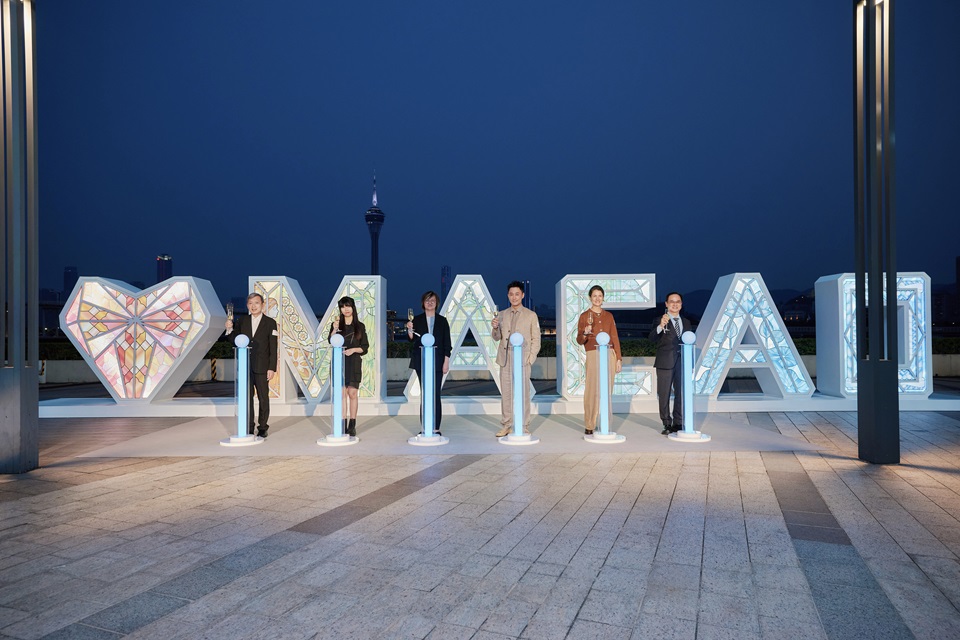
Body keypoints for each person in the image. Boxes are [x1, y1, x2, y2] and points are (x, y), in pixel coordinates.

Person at [491, 281, 541, 437]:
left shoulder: (531, 315)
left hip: (523, 359)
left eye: (517, 294)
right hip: (505, 358)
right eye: (511, 294)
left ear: (523, 295)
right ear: (508, 295)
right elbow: (496, 337)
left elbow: (536, 339)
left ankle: (524, 425)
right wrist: (494, 328)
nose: (514, 297)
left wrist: (530, 358)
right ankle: (507, 424)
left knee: (523, 393)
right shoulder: (502, 314)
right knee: (506, 394)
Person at [225, 293, 278, 438]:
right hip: (245, 366)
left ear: (262, 305)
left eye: (256, 303)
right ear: (247, 305)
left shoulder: (270, 323)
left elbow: (273, 347)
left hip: (262, 366)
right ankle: (249, 427)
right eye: (250, 303)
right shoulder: (242, 320)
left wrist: (271, 367)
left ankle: (263, 427)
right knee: (247, 398)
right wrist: (229, 329)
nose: (253, 306)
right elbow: (234, 339)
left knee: (263, 398)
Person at [576, 285, 623, 435]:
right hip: (593, 353)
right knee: (592, 389)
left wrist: (618, 358)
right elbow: (579, 340)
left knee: (607, 389)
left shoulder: (609, 316)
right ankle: (590, 423)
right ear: (590, 298)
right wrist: (585, 333)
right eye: (594, 296)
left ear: (603, 298)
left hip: (609, 353)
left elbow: (614, 337)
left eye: (600, 296)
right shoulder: (584, 316)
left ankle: (605, 423)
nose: (597, 298)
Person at [406, 290, 452, 435]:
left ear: (436, 303)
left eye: (432, 300)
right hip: (421, 361)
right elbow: (412, 340)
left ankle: (436, 428)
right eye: (427, 300)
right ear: (423, 303)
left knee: (435, 394)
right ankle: (425, 427)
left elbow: (447, 344)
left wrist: (446, 362)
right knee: (425, 394)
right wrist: (409, 330)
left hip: (438, 362)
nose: (430, 303)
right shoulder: (417, 320)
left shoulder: (442, 321)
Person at [650, 292, 691, 434]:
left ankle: (678, 422)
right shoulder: (659, 320)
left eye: (678, 301)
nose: (675, 304)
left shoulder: (686, 322)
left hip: (682, 362)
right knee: (664, 394)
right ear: (666, 304)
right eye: (672, 301)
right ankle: (666, 423)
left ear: (681, 304)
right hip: (665, 362)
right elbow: (651, 338)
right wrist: (660, 326)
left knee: (680, 393)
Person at [328, 296, 369, 437]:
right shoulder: (336, 325)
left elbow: (365, 347)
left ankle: (352, 424)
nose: (346, 309)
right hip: (339, 362)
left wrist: (353, 350)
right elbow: (331, 341)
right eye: (343, 307)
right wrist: (334, 330)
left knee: (352, 393)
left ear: (353, 308)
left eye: (348, 306)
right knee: (341, 394)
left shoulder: (360, 326)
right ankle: (342, 423)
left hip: (354, 361)